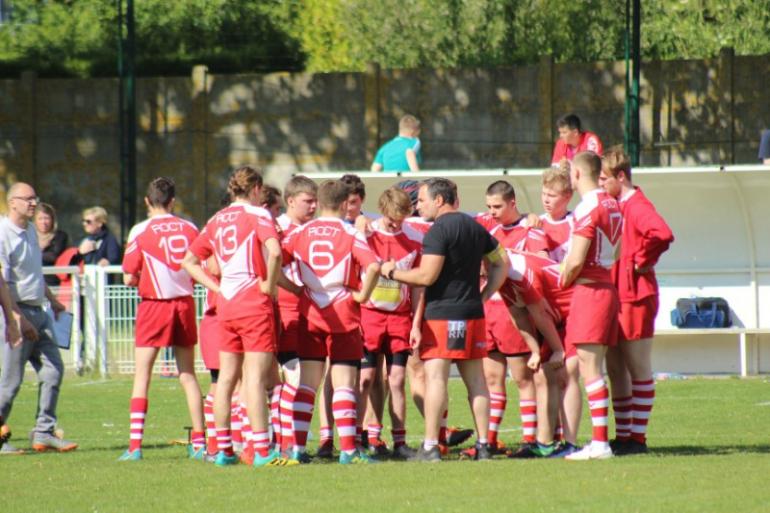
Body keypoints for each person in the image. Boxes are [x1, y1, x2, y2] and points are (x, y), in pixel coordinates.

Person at [381, 177, 508, 462]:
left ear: (439, 200)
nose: (419, 205)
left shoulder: (439, 230)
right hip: (472, 313)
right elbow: (502, 263)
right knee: (477, 382)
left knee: (436, 379)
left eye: (422, 200)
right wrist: (483, 295)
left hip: (442, 316)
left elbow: (426, 276)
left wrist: (392, 272)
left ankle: (429, 447)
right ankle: (485, 445)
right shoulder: (476, 226)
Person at [183, 166, 289, 468]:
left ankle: (223, 450)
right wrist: (268, 285)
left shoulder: (216, 220)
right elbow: (275, 251)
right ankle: (261, 450)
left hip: (226, 305)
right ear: (256, 188)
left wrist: (217, 286)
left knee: (226, 379)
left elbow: (188, 262)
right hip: (253, 303)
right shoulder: (258, 214)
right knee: (255, 378)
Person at [284, 179, 381, 465]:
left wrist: (291, 288)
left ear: (319, 201)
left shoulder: (299, 232)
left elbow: (273, 257)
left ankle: (298, 449)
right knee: (344, 385)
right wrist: (362, 295)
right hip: (343, 314)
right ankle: (349, 450)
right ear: (343, 204)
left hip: (310, 312)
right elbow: (373, 266)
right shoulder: (350, 233)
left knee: (306, 385)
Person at [118, 177, 205, 461]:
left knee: (143, 374)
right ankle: (200, 441)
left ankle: (135, 446)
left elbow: (129, 276)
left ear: (147, 201)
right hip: (183, 304)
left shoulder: (140, 231)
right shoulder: (190, 228)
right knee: (188, 375)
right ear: (173, 201)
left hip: (154, 305)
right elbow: (202, 264)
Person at [599, 147, 674, 456]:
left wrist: (641, 260)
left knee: (637, 367)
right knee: (615, 367)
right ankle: (625, 434)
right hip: (617, 294)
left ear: (621, 177)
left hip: (635, 295)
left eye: (605, 179)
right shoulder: (617, 204)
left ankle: (638, 438)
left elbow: (663, 233)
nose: (601, 184)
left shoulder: (637, 205)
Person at [0, 182, 76, 454]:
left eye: (35, 198)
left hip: (38, 312)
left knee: (54, 369)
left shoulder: (30, 230)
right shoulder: (3, 233)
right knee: (10, 383)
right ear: (13, 203)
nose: (33, 203)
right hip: (14, 313)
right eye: (28, 199)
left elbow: (34, 273)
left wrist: (53, 301)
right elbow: (3, 284)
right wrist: (16, 319)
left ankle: (44, 431)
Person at [476, 180, 550, 458]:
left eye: (497, 206)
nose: (492, 211)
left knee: (522, 377)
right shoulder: (487, 225)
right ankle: (490, 440)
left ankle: (530, 439)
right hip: (488, 310)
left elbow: (541, 265)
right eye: (489, 207)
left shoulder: (530, 229)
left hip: (514, 311)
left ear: (512, 203)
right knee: (491, 378)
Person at [559, 151, 622, 461]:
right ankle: (599, 441)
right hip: (605, 287)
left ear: (578, 174)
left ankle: (600, 443)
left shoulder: (588, 207)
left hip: (590, 290)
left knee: (590, 368)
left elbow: (576, 259)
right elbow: (619, 248)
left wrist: (561, 280)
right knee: (588, 366)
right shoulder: (612, 203)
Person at [358, 187, 423, 459]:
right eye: (392, 218)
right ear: (383, 211)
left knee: (396, 379)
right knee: (367, 378)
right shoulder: (365, 234)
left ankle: (400, 442)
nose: (397, 224)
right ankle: (364, 438)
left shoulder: (415, 240)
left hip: (399, 318)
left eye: (402, 218)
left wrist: (416, 323)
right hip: (369, 315)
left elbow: (419, 286)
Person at [274, 175, 318, 457]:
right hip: (283, 312)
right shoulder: (277, 229)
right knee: (289, 378)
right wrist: (295, 289)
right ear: (290, 201)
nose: (313, 206)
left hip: (307, 314)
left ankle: (291, 444)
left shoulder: (314, 230)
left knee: (301, 380)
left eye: (315, 201)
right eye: (307, 201)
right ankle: (281, 442)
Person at [35, 203, 69, 286]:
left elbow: (54, 257)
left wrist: (37, 251)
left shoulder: (60, 236)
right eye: (40, 218)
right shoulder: (30, 235)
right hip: (33, 282)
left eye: (47, 218)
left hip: (53, 282)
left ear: (52, 220)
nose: (44, 222)